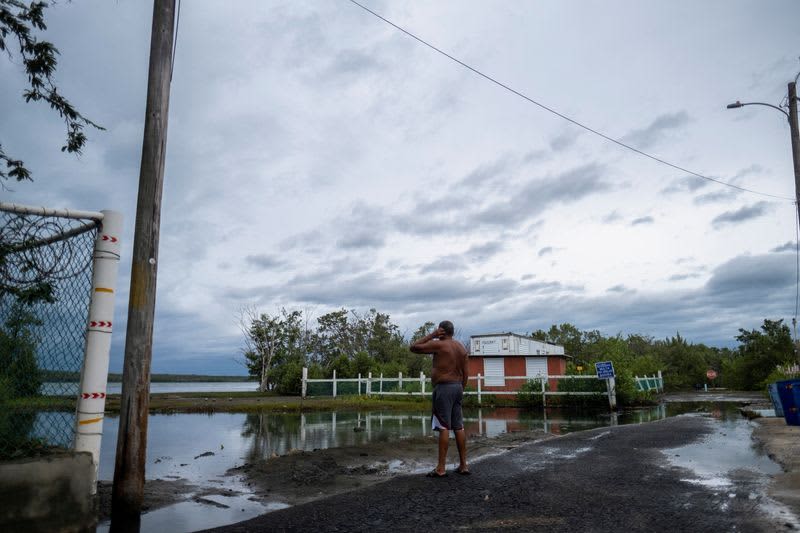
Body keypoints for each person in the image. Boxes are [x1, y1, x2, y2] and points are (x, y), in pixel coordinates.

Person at [410, 320, 470, 477]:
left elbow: (414, 347)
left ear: (442, 331)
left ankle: (441, 468)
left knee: (444, 426)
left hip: (444, 388)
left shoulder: (440, 344)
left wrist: (432, 335)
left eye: (438, 331)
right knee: (458, 426)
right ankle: (464, 465)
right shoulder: (461, 347)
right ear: (453, 332)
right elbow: (466, 373)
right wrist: (460, 389)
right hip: (457, 387)